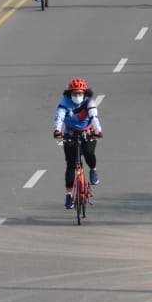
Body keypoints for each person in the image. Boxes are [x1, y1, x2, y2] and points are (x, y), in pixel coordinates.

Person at [53, 78, 102, 209]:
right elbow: (59, 117)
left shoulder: (89, 102)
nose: (77, 96)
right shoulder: (64, 102)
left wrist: (97, 130)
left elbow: (93, 117)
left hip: (88, 132)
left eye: (80, 93)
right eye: (74, 93)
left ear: (84, 93)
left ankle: (93, 170)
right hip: (70, 133)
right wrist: (57, 130)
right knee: (70, 164)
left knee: (88, 152)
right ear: (69, 94)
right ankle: (69, 195)